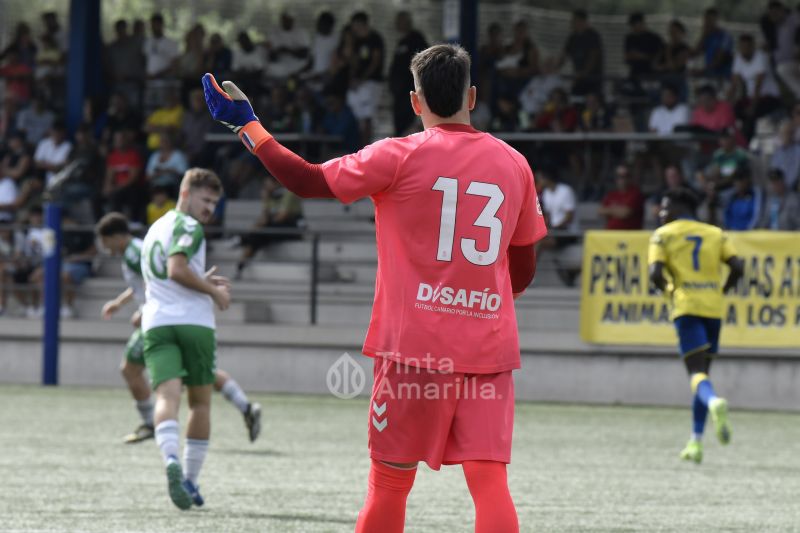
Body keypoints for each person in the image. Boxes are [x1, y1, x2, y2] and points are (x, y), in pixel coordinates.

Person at [204, 42, 546, 532]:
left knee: (389, 483)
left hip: (413, 350)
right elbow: (526, 268)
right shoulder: (514, 164)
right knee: (489, 482)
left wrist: (247, 125)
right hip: (487, 352)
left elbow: (308, 181)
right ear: (472, 97)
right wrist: (483, 302)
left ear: (415, 101)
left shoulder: (398, 155)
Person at [95, 212, 262, 445]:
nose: (104, 247)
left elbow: (152, 281)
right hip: (170, 314)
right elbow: (146, 281)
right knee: (199, 373)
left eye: (105, 241)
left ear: (115, 237)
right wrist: (119, 303)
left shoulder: (133, 253)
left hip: (158, 318)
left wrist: (144, 310)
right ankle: (245, 406)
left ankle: (150, 424)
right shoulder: (136, 249)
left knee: (130, 369)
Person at [141, 168, 237, 509]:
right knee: (200, 402)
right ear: (186, 194)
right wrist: (213, 291)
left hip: (156, 322)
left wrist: (201, 279)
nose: (210, 208)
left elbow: (164, 277)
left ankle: (170, 460)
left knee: (167, 397)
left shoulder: (156, 228)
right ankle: (190, 481)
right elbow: (176, 270)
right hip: (193, 324)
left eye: (214, 202)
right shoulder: (190, 226)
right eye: (205, 199)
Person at [649, 188, 743, 464]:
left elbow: (655, 273)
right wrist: (722, 290)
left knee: (696, 374)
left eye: (665, 207)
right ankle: (696, 441)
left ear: (678, 205)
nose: (662, 213)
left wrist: (669, 292)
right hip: (714, 309)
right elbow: (737, 267)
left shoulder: (662, 235)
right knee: (703, 375)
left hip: (686, 307)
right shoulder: (716, 233)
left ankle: (715, 403)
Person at [235, 176, 304, 279]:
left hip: (292, 228)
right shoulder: (271, 197)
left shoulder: (289, 193)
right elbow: (264, 220)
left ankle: (242, 240)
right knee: (257, 237)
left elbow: (282, 216)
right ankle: (241, 262)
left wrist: (263, 226)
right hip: (273, 227)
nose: (265, 188)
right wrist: (265, 201)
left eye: (267, 185)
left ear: (276, 183)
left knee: (261, 233)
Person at [729, 34, 782, 141]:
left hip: (770, 97)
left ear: (753, 47)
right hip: (751, 98)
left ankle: (745, 143)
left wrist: (752, 107)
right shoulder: (738, 58)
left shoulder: (761, 57)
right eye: (742, 47)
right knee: (735, 110)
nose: (745, 50)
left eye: (747, 47)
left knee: (751, 115)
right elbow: (734, 85)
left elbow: (758, 85)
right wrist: (725, 104)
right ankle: (736, 139)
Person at [347, 12, 385, 146]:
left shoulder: (375, 38)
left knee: (368, 116)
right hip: (358, 84)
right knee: (358, 117)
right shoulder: (356, 41)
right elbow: (354, 62)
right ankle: (358, 147)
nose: (354, 29)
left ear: (362, 24)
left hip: (371, 83)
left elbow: (375, 62)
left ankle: (367, 147)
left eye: (355, 25)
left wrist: (362, 79)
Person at [388, 11, 428, 136]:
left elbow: (422, 63)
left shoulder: (416, 39)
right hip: (398, 94)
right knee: (399, 127)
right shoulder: (401, 42)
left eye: (400, 20)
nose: (397, 24)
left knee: (409, 128)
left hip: (410, 91)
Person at [558, 10, 604, 96]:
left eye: (574, 20)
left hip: (592, 80)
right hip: (579, 79)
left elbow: (593, 56)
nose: (572, 23)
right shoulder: (572, 38)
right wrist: (555, 68)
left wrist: (584, 72)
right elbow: (563, 56)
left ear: (582, 21)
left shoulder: (593, 36)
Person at [599, 165, 644, 230]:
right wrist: (617, 210)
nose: (622, 179)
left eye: (625, 176)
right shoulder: (611, 194)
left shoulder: (636, 194)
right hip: (610, 234)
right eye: (619, 176)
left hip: (630, 235)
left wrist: (610, 210)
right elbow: (600, 211)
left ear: (630, 177)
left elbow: (625, 213)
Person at [692, 8, 733, 78]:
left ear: (716, 20)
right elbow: (695, 53)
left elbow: (719, 59)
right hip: (710, 73)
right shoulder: (707, 35)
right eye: (706, 20)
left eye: (710, 20)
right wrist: (703, 35)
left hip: (722, 75)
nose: (707, 22)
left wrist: (702, 71)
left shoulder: (724, 36)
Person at [624, 13, 664, 80]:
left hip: (651, 74)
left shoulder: (654, 38)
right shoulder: (630, 38)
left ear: (641, 23)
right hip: (634, 74)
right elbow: (627, 56)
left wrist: (641, 56)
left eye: (634, 25)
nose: (633, 28)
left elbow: (659, 56)